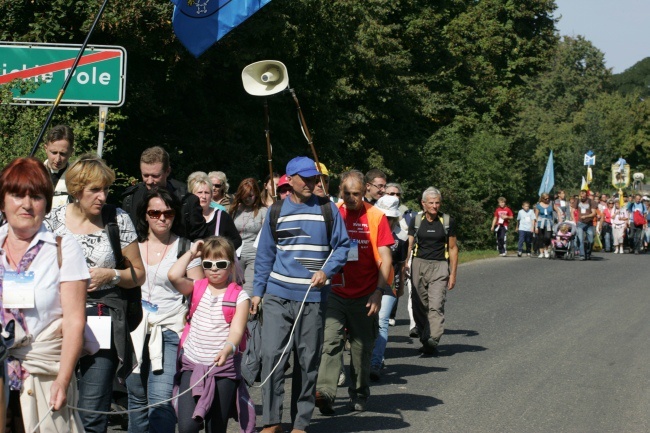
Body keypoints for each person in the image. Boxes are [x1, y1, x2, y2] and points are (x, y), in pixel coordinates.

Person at [45, 153, 146, 433]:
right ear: (77, 191)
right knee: (55, 405)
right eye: (95, 190)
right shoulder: (52, 221)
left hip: (103, 319)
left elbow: (138, 274)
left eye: (105, 190)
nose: (102, 197)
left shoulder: (118, 219)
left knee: (93, 410)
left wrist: (110, 274)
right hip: (59, 320)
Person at [252, 156, 349, 433]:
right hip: (277, 295)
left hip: (313, 297)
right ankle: (271, 421)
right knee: (272, 357)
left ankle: (300, 423)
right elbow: (264, 256)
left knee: (307, 360)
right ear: (289, 180)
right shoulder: (276, 212)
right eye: (305, 178)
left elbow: (342, 247)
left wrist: (326, 271)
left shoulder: (328, 209)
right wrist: (257, 293)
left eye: (314, 178)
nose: (312, 183)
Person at [0, 157, 88, 432]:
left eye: (36, 196)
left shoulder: (63, 248)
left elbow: (75, 321)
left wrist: (63, 380)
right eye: (16, 195)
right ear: (2, 201)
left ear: (47, 203)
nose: (26, 204)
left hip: (46, 376)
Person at [125, 188, 204, 433]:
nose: (161, 218)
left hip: (169, 330)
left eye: (167, 213)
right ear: (145, 215)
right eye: (155, 212)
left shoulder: (186, 247)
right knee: (136, 396)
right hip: (135, 329)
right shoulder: (132, 247)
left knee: (160, 399)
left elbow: (198, 292)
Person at [315, 169, 392, 414]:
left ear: (364, 191)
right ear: (340, 191)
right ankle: (325, 392)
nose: (351, 198)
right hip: (335, 291)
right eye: (346, 193)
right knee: (331, 342)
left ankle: (359, 392)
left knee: (361, 349)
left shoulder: (377, 216)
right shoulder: (332, 212)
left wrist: (379, 292)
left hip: (365, 293)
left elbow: (386, 257)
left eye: (356, 194)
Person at [168, 236, 252, 433]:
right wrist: (191, 253)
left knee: (216, 427)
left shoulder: (240, 296)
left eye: (221, 264)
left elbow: (237, 331)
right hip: (193, 364)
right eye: (208, 264)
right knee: (187, 426)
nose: (214, 269)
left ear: (231, 266)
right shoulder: (196, 287)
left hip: (222, 370)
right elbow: (173, 276)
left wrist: (227, 349)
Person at [406, 187, 458, 354]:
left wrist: (453, 274)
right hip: (418, 264)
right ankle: (424, 336)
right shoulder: (415, 220)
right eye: (431, 203)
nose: (435, 206)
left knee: (436, 304)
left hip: (440, 265)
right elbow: (409, 244)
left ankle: (434, 337)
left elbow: (453, 248)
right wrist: (403, 264)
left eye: (437, 203)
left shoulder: (447, 221)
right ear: (423, 203)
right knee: (419, 304)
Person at [122, 146, 206, 241]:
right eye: (145, 175)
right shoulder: (131, 200)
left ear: (168, 171)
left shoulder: (187, 201)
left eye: (155, 176)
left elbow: (200, 240)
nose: (149, 181)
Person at [370, 195, 408, 382]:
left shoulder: (401, 238)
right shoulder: (367, 231)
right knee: (366, 323)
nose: (387, 221)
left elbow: (400, 265)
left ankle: (375, 362)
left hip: (388, 284)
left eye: (390, 218)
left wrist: (399, 288)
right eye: (384, 217)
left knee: (382, 321)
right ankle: (364, 359)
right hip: (366, 282)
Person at [230, 178, 267, 297]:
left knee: (249, 287)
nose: (247, 198)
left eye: (250, 195)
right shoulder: (234, 210)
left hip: (254, 254)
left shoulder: (263, 211)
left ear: (256, 194)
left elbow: (266, 234)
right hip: (236, 254)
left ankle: (249, 313)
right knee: (235, 286)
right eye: (245, 195)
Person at [188, 171, 242, 251]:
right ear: (192, 195)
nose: (203, 196)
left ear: (211, 195)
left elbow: (237, 240)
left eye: (207, 193)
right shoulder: (186, 216)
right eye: (199, 192)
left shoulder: (222, 216)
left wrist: (222, 250)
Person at [43, 124, 75, 208]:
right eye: (54, 152)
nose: (57, 159)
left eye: (63, 154)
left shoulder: (77, 178)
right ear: (45, 148)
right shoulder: (34, 174)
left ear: (71, 152)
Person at [576, 190, 597, 260]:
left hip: (589, 224)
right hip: (580, 223)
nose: (582, 197)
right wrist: (573, 219)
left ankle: (588, 253)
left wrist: (586, 216)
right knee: (580, 239)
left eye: (583, 196)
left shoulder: (591, 202)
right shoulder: (577, 201)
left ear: (587, 196)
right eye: (581, 196)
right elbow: (572, 210)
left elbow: (594, 213)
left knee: (591, 241)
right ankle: (582, 255)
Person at [534, 193, 555, 258]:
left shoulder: (551, 204)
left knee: (547, 237)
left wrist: (560, 217)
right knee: (540, 237)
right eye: (546, 199)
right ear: (542, 199)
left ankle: (546, 250)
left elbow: (558, 211)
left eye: (548, 198)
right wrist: (536, 227)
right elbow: (536, 216)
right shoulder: (538, 205)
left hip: (548, 223)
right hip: (540, 223)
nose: (547, 200)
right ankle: (541, 252)